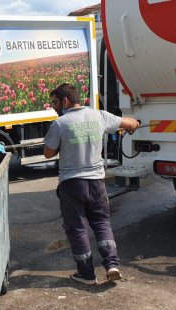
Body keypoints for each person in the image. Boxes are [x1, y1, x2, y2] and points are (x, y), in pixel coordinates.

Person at [43, 83, 139, 285]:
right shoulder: (99, 116)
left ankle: (87, 275)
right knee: (102, 222)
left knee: (77, 228)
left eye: (55, 102)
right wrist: (135, 124)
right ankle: (112, 265)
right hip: (96, 182)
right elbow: (129, 123)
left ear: (65, 101)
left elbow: (48, 153)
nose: (53, 106)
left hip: (72, 185)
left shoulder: (60, 123)